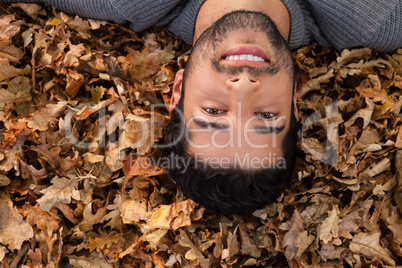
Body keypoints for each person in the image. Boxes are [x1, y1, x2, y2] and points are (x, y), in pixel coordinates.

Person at [2, 0, 402, 214]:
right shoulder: (380, 17)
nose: (243, 87)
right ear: (295, 105)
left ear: (177, 91)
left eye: (213, 114)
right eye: (266, 118)